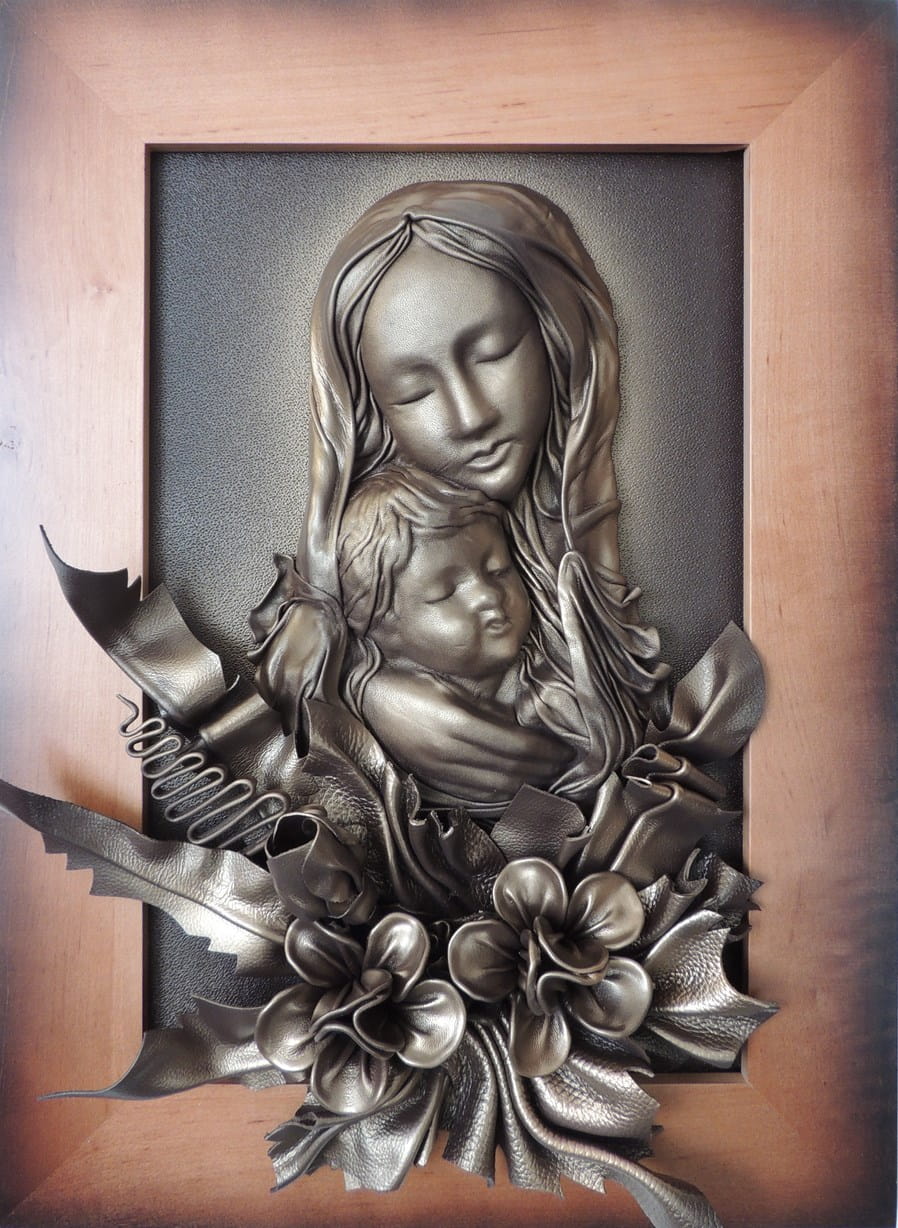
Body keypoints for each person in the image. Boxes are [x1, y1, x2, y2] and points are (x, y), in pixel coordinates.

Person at [249, 181, 668, 808]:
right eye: (415, 393)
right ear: (370, 411)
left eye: (493, 354)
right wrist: (363, 697)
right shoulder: (376, 539)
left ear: (558, 337)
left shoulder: (579, 519)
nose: (470, 417)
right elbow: (291, 715)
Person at [336, 462, 574, 815]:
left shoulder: (556, 679)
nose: (489, 596)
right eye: (446, 593)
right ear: (382, 628)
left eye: (499, 570)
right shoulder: (392, 712)